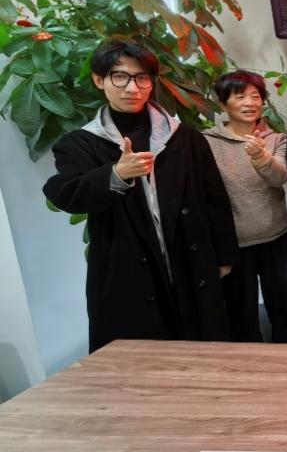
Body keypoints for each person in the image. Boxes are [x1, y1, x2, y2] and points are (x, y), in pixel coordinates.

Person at [43, 39, 237, 351]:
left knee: (201, 353)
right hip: (127, 269)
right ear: (99, 80)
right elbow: (66, 193)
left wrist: (224, 257)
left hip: (189, 262)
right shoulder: (80, 143)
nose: (132, 88)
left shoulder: (184, 137)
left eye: (141, 78)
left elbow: (215, 198)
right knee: (141, 359)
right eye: (120, 77)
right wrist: (116, 175)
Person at [204, 71, 287, 343]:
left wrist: (261, 159)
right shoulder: (206, 142)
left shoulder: (276, 139)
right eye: (240, 96)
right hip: (233, 244)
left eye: (255, 96)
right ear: (222, 103)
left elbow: (279, 177)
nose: (249, 103)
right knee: (240, 313)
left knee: (282, 307)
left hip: (275, 237)